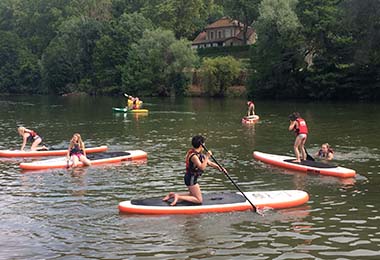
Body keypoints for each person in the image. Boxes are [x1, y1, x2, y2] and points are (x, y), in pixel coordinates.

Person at [163, 135, 224, 206]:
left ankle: (172, 195)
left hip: (191, 177)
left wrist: (220, 168)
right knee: (199, 200)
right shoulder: (194, 156)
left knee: (191, 195)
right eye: (204, 144)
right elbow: (202, 167)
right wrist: (207, 156)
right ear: (202, 145)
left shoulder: (198, 154)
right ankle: (178, 197)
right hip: (191, 178)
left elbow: (209, 163)